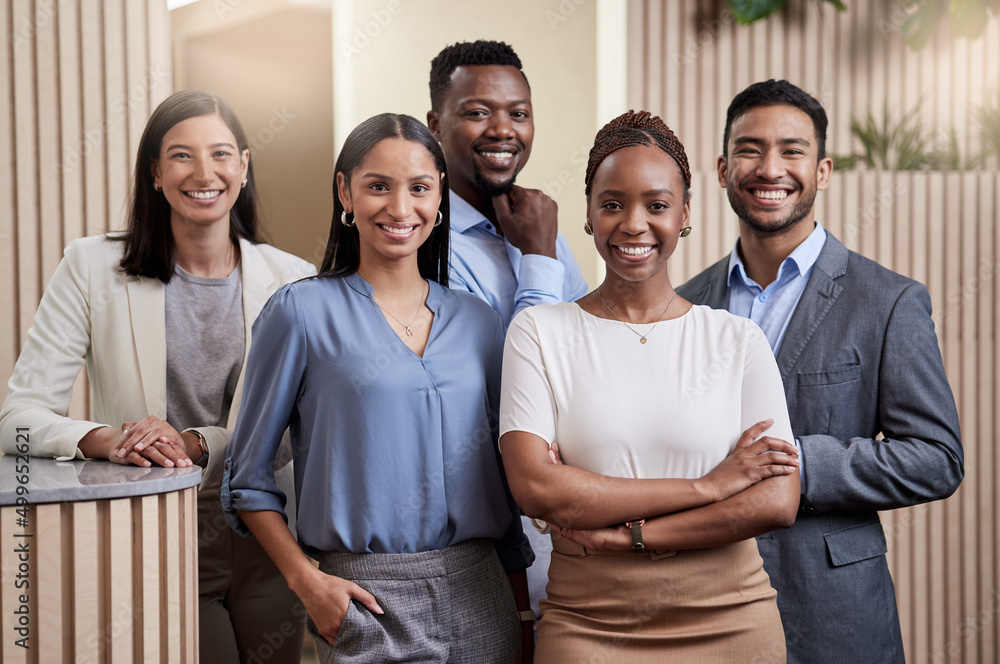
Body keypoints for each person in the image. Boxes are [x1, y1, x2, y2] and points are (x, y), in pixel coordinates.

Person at [0, 90, 315, 662]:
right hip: (158, 532)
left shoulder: (294, 280)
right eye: (180, 155)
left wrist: (197, 443)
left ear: (244, 166)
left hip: (272, 539)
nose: (203, 173)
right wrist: (109, 440)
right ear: (155, 172)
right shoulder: (91, 267)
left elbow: (300, 430)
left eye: (220, 154)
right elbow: (17, 419)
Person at [221, 113, 534, 664]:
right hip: (365, 601)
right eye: (378, 186)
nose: (399, 208)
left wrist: (522, 614)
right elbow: (245, 481)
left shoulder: (480, 322)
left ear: (439, 199)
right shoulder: (300, 313)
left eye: (419, 188)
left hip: (483, 595)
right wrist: (309, 584)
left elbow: (503, 489)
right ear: (345, 191)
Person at [676, 79, 965, 663]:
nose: (769, 167)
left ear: (823, 170)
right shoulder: (682, 302)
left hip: (834, 611)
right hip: (700, 603)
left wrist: (799, 462)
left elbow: (937, 458)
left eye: (792, 150)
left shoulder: (887, 301)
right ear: (722, 168)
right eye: (750, 149)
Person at [499, 110, 801, 662]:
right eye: (612, 204)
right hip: (589, 623)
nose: (633, 224)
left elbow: (777, 500)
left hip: (730, 618)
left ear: (684, 213)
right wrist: (709, 487)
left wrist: (627, 534)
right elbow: (538, 490)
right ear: (589, 214)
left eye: (657, 205)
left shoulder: (737, 340)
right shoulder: (540, 332)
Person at [426, 38, 589, 622]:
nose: (503, 130)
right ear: (435, 124)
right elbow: (505, 383)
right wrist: (540, 262)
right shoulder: (419, 239)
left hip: (560, 522)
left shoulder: (546, 235)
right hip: (469, 530)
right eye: (478, 112)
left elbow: (579, 369)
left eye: (518, 113)